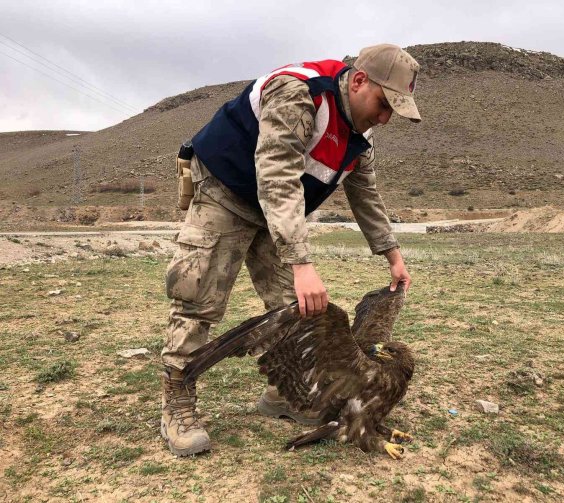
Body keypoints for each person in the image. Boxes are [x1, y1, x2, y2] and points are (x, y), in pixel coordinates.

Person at [160, 43, 422, 456]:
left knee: (296, 312)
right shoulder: (298, 93)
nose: (386, 118)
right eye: (384, 104)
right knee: (198, 297)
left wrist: (391, 253)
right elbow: (277, 178)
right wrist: (301, 262)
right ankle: (177, 394)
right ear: (358, 81)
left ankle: (282, 395)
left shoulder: (361, 134)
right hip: (227, 194)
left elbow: (364, 193)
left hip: (277, 214)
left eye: (395, 110)